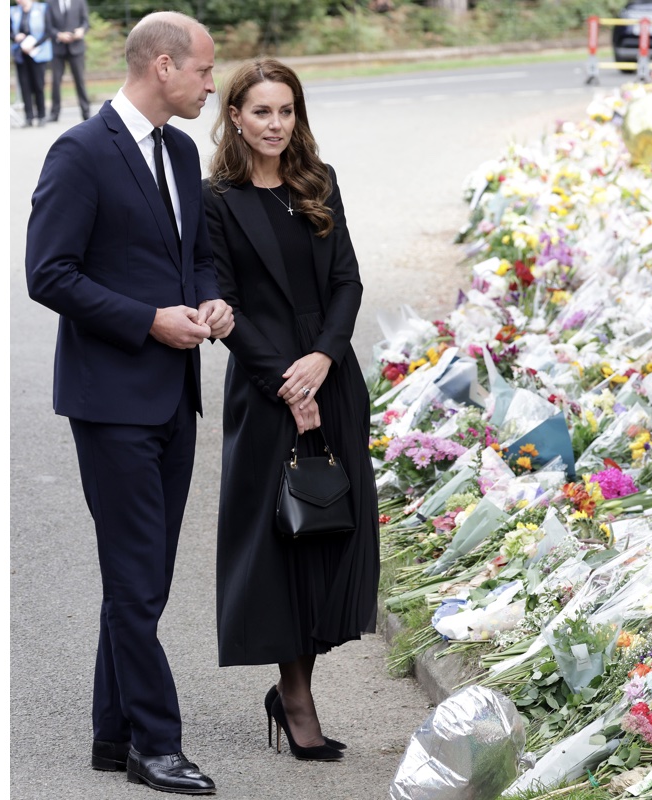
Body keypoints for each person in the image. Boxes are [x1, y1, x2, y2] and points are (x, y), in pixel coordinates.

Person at [25, 11, 233, 795]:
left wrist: (213, 306)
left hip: (175, 397)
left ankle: (112, 737)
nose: (213, 86)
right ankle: (155, 743)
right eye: (205, 72)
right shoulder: (80, 152)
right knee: (138, 579)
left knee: (140, 576)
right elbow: (49, 273)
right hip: (110, 400)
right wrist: (147, 321)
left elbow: (197, 261)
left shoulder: (180, 152)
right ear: (164, 66)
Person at [202, 58, 380, 762]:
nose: (276, 124)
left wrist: (325, 358)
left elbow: (348, 279)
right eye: (262, 112)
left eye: (286, 111)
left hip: (330, 375)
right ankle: (296, 697)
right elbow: (223, 301)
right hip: (266, 385)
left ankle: (299, 683)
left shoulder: (320, 180)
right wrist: (286, 378)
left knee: (334, 535)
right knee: (283, 543)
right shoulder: (215, 198)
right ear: (236, 118)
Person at [46, 0, 92, 122]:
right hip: (58, 49)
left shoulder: (80, 2)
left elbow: (86, 22)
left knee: (80, 81)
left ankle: (86, 112)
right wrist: (59, 35)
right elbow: (48, 27)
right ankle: (54, 114)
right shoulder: (50, 3)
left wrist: (81, 30)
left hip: (76, 48)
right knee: (55, 82)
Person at [10, 0, 53, 127]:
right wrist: (15, 37)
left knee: (38, 85)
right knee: (25, 86)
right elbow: (9, 30)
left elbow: (48, 31)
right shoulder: (13, 11)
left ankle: (41, 116)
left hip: (38, 52)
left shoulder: (42, 8)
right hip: (21, 53)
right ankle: (29, 117)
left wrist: (34, 45)